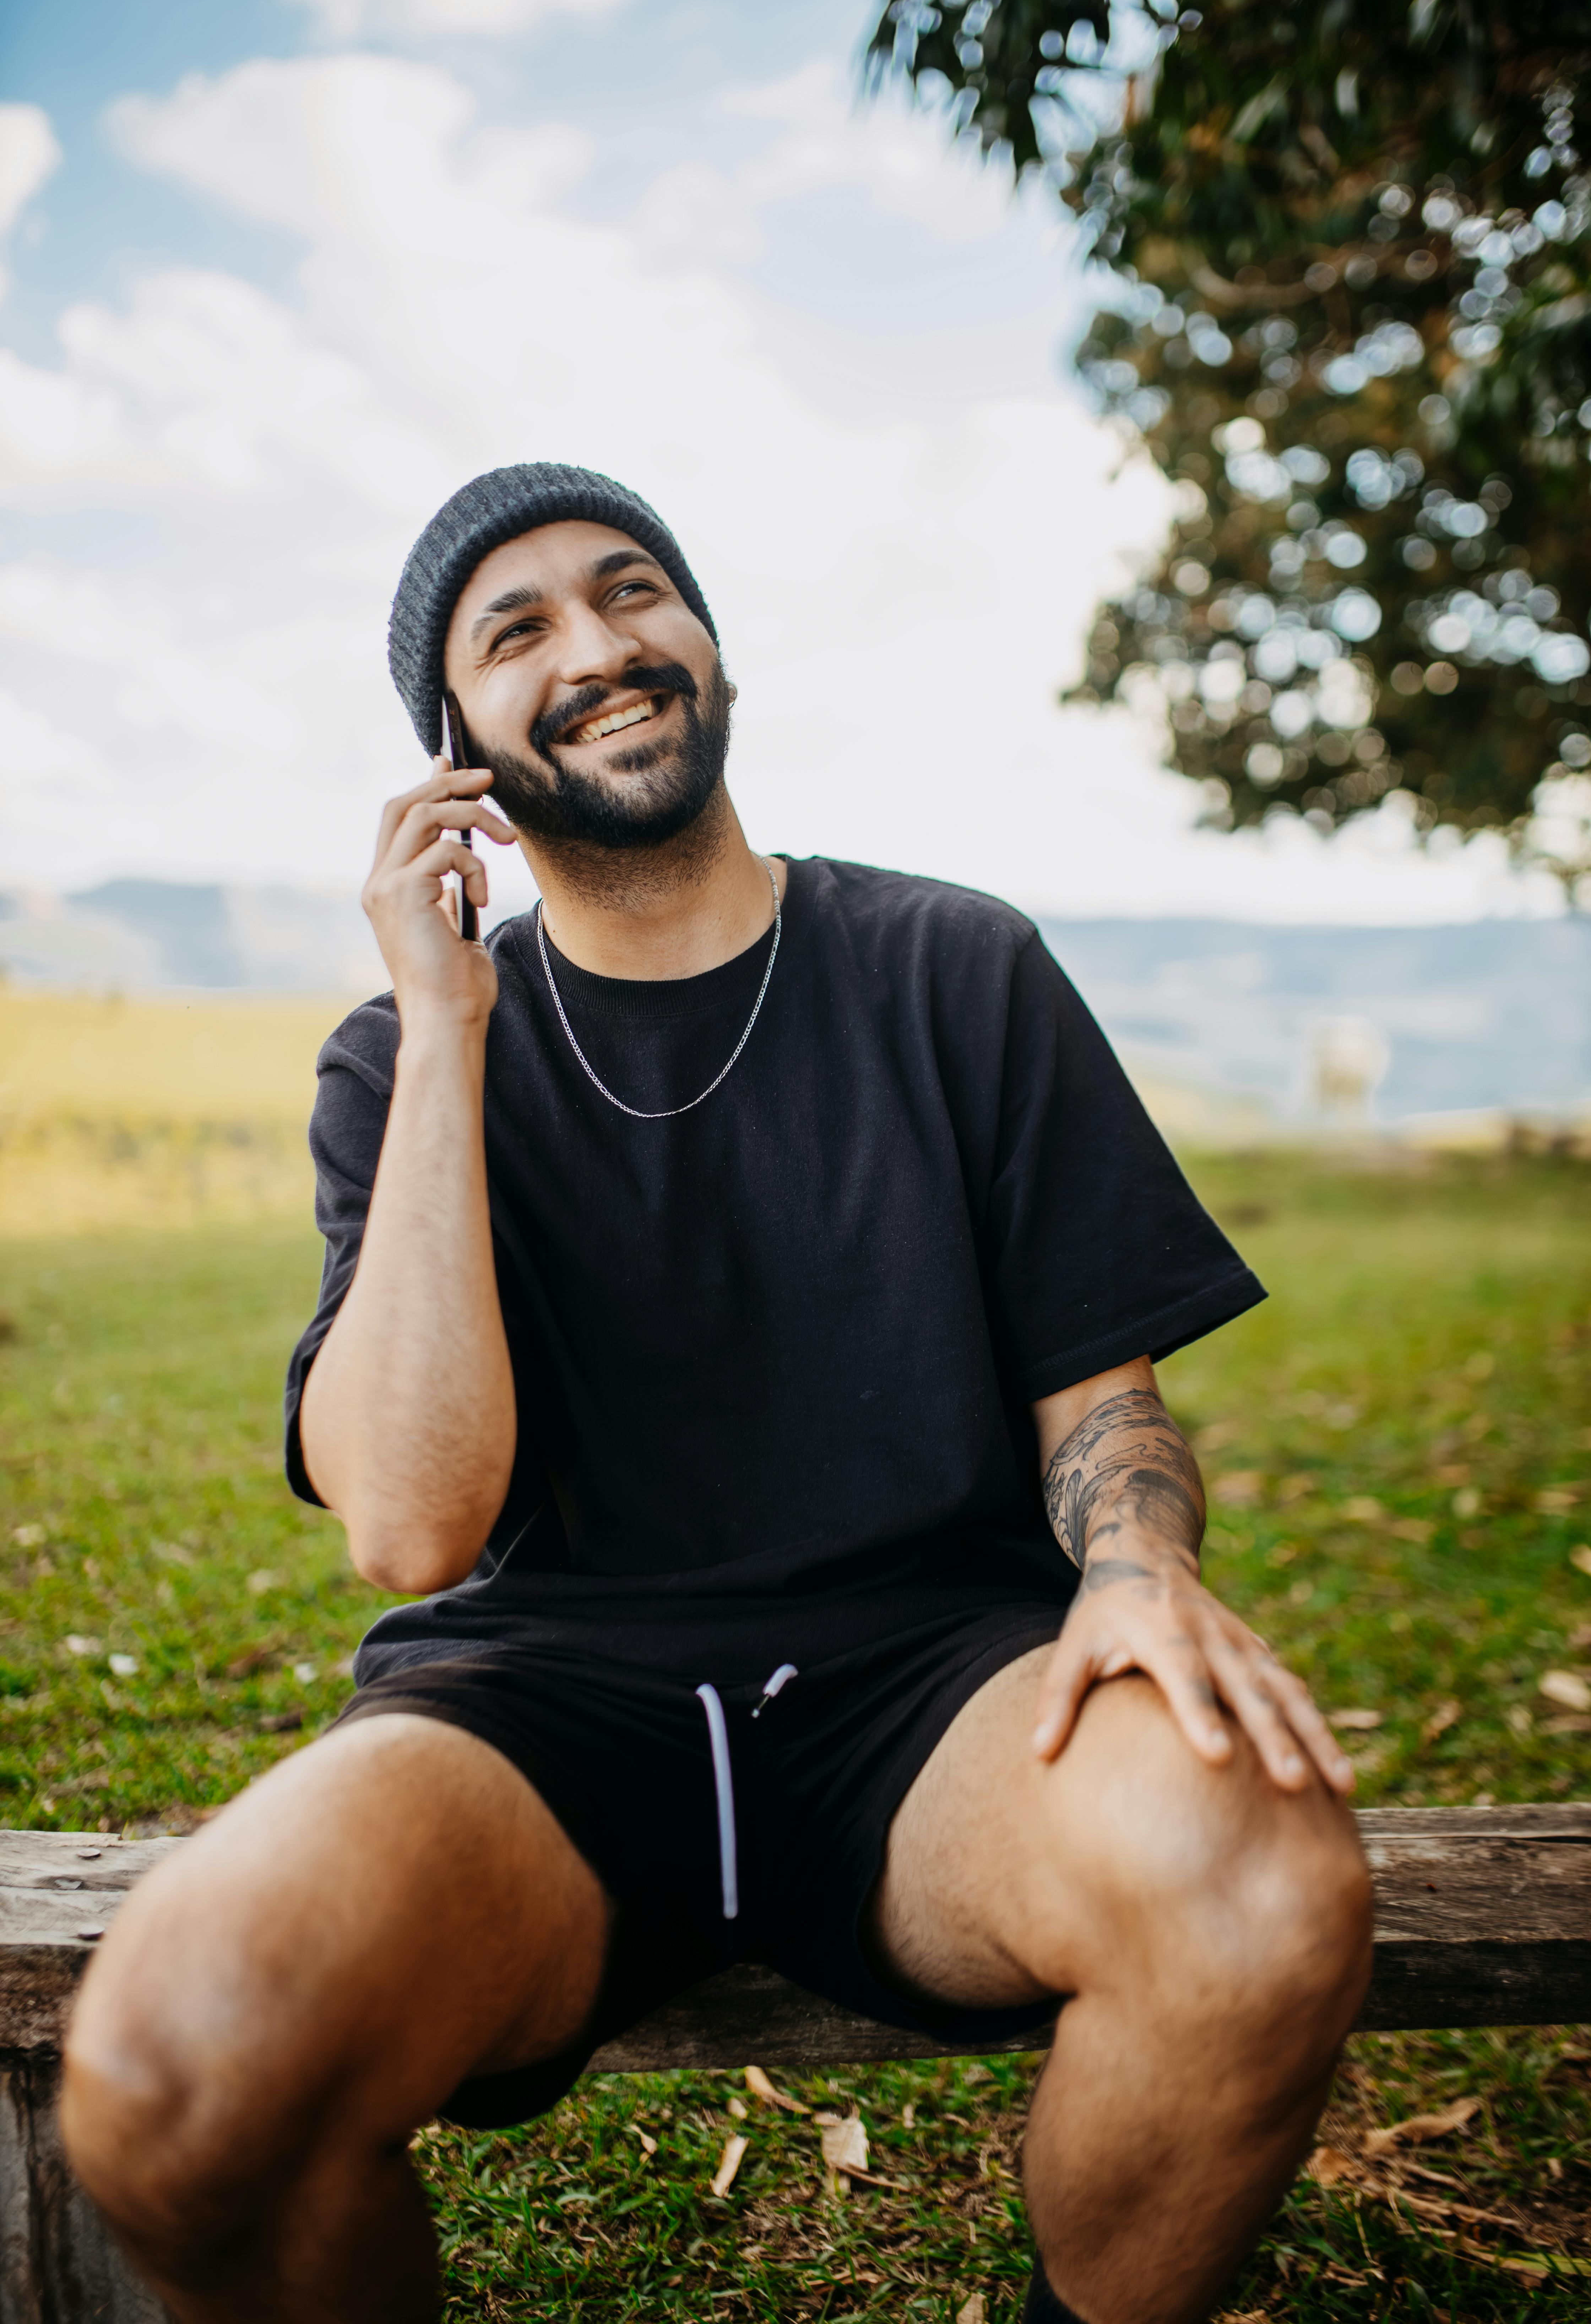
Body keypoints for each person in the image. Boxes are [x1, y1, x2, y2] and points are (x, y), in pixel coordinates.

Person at [61, 464, 1372, 2324]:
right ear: (457, 754)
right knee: (180, 2069)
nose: (601, 646)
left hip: (945, 1695)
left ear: (706, 639)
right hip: (543, 1708)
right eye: (518, 631)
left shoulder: (954, 967)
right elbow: (413, 1522)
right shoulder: (400, 1061)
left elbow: (1107, 1411)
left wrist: (1135, 1571)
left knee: (1263, 1887)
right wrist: (444, 1026)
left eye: (633, 589)